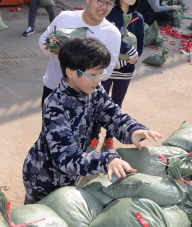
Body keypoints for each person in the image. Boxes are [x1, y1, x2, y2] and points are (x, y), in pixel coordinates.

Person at [22, 37, 161, 204]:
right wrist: (106, 160)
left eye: (101, 73)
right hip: (43, 179)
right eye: (93, 74)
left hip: (70, 177)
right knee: (37, 220)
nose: (98, 80)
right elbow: (66, 158)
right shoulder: (55, 105)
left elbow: (112, 114)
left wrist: (133, 130)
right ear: (71, 72)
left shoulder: (94, 91)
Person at [39, 0, 121, 109]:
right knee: (50, 129)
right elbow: (43, 40)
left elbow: (107, 71)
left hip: (86, 97)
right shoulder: (65, 18)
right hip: (53, 89)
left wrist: (81, 62)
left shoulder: (112, 33)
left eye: (110, 3)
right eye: (100, 0)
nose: (104, 7)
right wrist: (53, 49)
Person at [90, 0, 144, 153]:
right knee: (100, 105)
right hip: (106, 70)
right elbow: (105, 39)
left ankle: (109, 139)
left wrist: (123, 62)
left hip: (125, 72)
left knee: (116, 106)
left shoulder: (138, 18)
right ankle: (93, 138)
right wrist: (115, 60)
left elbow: (140, 49)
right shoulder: (110, 15)